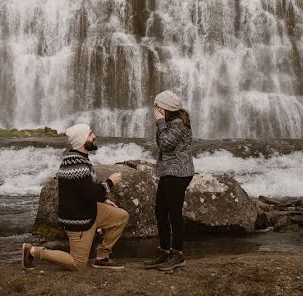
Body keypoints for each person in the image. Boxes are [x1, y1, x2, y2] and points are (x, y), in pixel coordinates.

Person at [22, 123, 129, 271]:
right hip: (78, 219)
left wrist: (103, 200)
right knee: (78, 264)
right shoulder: (77, 164)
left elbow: (82, 189)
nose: (94, 136)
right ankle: (33, 251)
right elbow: (89, 193)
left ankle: (102, 257)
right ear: (82, 140)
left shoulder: (78, 158)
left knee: (120, 217)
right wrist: (110, 182)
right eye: (90, 134)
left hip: (88, 210)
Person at [144, 91, 194, 271]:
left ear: (165, 108)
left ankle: (178, 254)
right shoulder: (171, 122)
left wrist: (159, 122)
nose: (155, 110)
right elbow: (162, 143)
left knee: (174, 214)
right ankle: (164, 251)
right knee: (160, 211)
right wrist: (162, 123)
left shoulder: (179, 124)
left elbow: (165, 144)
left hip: (178, 174)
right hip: (169, 172)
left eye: (158, 107)